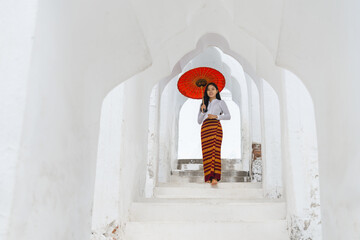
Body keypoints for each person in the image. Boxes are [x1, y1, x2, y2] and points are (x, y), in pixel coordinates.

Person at [198, 83, 231, 185]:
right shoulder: (203, 104)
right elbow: (199, 121)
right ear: (206, 92)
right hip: (205, 129)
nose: (210, 91)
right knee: (206, 153)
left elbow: (228, 116)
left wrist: (216, 116)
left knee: (214, 151)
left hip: (215, 127)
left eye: (213, 89)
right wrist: (203, 111)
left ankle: (215, 177)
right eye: (208, 90)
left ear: (217, 91)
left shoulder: (221, 103)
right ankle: (208, 176)